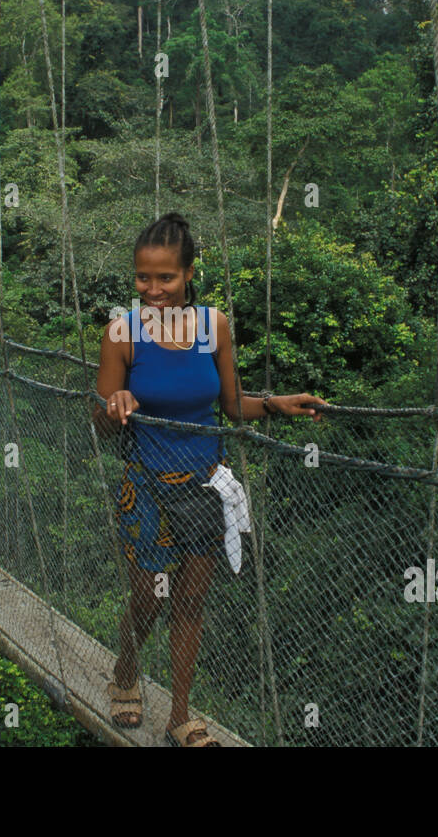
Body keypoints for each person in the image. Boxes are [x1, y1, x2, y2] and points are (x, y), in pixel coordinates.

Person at [91, 212, 327, 746]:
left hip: (202, 484)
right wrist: (115, 404)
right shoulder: (121, 332)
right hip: (146, 484)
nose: (152, 290)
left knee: (192, 603)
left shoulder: (213, 326)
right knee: (150, 596)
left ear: (189, 272)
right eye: (142, 278)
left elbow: (231, 406)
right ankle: (125, 670)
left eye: (165, 278)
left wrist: (277, 404)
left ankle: (180, 715)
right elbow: (102, 421)